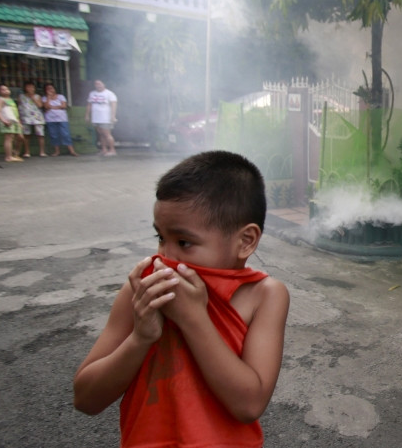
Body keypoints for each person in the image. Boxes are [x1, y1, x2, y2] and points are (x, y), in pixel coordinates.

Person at [73, 151, 290, 447]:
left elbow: (249, 404)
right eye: (161, 238)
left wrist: (193, 319)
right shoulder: (142, 290)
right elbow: (86, 399)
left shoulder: (263, 296)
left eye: (184, 242)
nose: (165, 258)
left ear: (245, 241)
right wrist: (140, 338)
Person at [42, 82, 78, 156]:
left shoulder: (61, 96)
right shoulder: (44, 98)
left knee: (65, 134)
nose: (50, 90)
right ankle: (57, 151)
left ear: (54, 89)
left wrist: (52, 107)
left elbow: (64, 106)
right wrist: (49, 97)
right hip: (50, 119)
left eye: (51, 88)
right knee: (54, 135)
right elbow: (46, 107)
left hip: (62, 119)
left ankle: (72, 151)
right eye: (48, 89)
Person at [85, 79, 118, 156]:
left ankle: (112, 150)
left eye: (99, 84)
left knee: (107, 134)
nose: (98, 85)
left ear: (104, 84)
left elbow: (114, 105)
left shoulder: (109, 93)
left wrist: (113, 116)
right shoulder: (92, 93)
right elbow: (89, 105)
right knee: (100, 134)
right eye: (96, 84)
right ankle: (104, 150)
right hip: (96, 118)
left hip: (105, 118)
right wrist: (87, 115)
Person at [0, 84, 25, 162]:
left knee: (20, 137)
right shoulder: (1, 99)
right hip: (7, 120)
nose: (6, 91)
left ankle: (15, 153)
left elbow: (15, 112)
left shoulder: (10, 99)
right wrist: (3, 120)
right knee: (9, 138)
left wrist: (19, 121)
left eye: (7, 89)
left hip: (15, 120)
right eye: (3, 89)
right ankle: (8, 157)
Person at [18, 81, 47, 157]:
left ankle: (42, 151)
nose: (30, 88)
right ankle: (27, 152)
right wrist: (19, 118)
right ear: (25, 88)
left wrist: (33, 98)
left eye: (32, 87)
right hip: (25, 117)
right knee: (26, 135)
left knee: (40, 135)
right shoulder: (21, 96)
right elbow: (19, 107)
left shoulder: (37, 96)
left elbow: (40, 106)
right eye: (28, 87)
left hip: (37, 117)